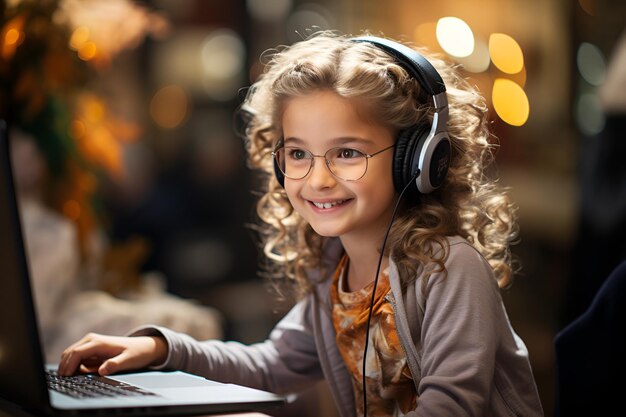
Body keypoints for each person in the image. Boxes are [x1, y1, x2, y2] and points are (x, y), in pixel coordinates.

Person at [57, 31, 544, 417]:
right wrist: (160, 347)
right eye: (297, 154)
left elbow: (452, 409)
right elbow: (274, 365)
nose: (318, 179)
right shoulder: (332, 268)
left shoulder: (450, 271)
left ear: (417, 160)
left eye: (348, 153)